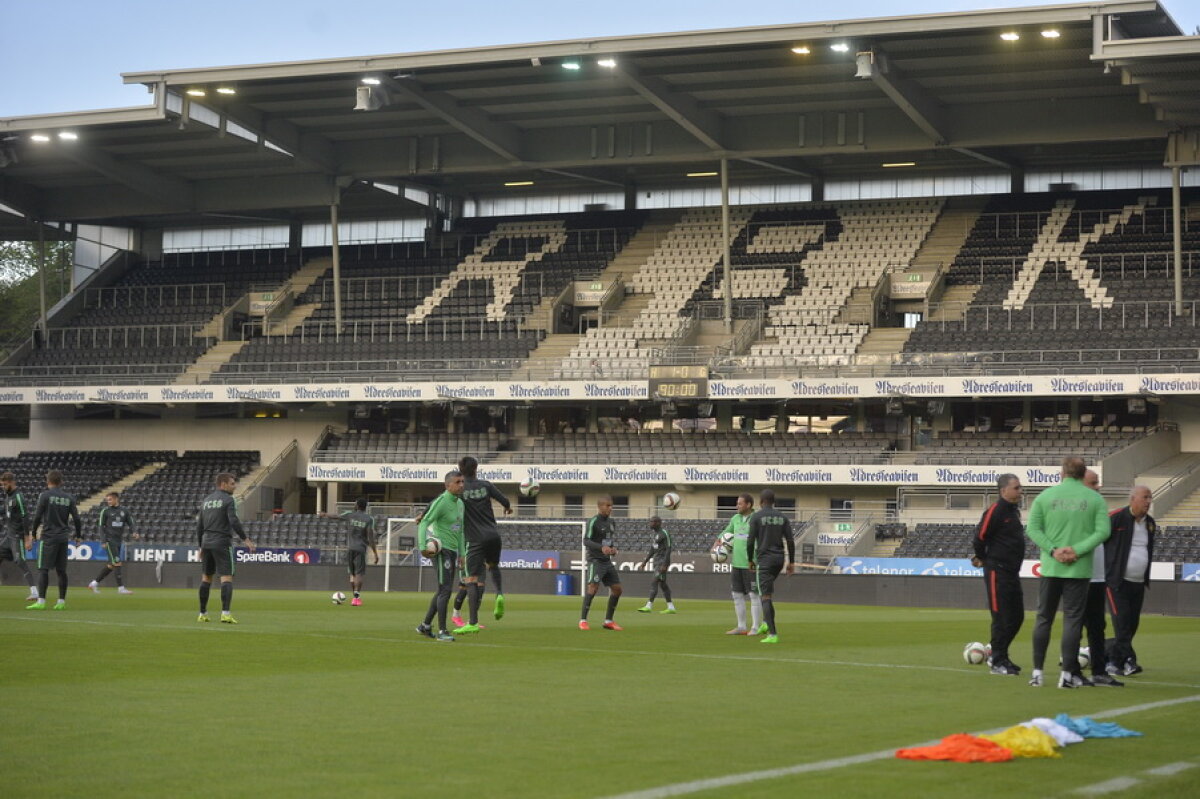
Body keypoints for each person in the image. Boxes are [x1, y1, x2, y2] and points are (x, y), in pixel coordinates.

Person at [1025, 457, 1110, 688]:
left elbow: (1032, 529)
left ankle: (1037, 672)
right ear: (1083, 474)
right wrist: (1077, 550)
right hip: (1079, 568)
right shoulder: (1095, 499)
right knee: (1072, 620)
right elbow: (1103, 531)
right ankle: (1066, 676)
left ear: (1062, 472)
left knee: (1044, 619)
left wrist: (1053, 551)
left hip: (1052, 567)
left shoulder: (1045, 496)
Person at [971, 474, 1025, 676]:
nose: (1020, 491)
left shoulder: (1013, 511)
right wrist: (982, 558)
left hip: (1011, 572)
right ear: (1004, 491)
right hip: (997, 571)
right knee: (1001, 617)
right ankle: (997, 661)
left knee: (1017, 616)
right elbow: (980, 537)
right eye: (1017, 488)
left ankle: (999, 654)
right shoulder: (996, 510)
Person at [452, 456, 512, 634]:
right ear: (476, 468)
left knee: (470, 580)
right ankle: (500, 593)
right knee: (492, 568)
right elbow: (505, 501)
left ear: (460, 470)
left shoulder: (460, 489)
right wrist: (507, 508)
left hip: (474, 539)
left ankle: (472, 622)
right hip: (494, 536)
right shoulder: (486, 485)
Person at [1104, 485, 1155, 678]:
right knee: (1122, 622)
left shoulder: (1150, 523)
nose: (1148, 502)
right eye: (1145, 497)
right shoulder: (1115, 517)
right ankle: (1126, 660)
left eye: (1150, 498)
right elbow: (1099, 541)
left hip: (1138, 582)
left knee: (1131, 625)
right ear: (1132, 499)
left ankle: (1109, 658)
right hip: (1117, 582)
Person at [196, 472, 255, 624]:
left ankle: (202, 613)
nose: (234, 487)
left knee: (206, 578)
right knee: (226, 577)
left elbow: (199, 526)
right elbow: (233, 521)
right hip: (222, 542)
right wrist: (245, 539)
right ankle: (225, 613)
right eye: (232, 483)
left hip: (207, 542)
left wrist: (200, 546)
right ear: (223, 484)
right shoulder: (229, 500)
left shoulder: (206, 500)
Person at [1081, 470, 1122, 686]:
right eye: (1093, 482)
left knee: (1097, 627)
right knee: (1075, 626)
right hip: (1077, 576)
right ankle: (1070, 671)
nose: (1098, 486)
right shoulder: (1075, 508)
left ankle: (1098, 672)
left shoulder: (1098, 505)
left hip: (1097, 576)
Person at [415, 470, 465, 642]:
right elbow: (424, 523)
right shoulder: (441, 502)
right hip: (441, 551)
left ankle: (425, 626)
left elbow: (460, 531)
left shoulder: (460, 504)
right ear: (448, 485)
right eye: (458, 482)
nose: (461, 485)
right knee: (445, 590)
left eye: (462, 482)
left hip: (452, 552)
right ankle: (443, 631)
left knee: (443, 590)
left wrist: (462, 553)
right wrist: (422, 547)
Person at [27, 470, 82, 610]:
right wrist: (78, 535)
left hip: (48, 537)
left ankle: (41, 601)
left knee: (43, 569)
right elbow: (76, 518)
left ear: (48, 481)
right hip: (63, 538)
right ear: (61, 482)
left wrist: (33, 533)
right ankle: (61, 602)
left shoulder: (45, 495)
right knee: (61, 571)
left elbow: (38, 516)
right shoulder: (69, 497)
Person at [745, 489, 795, 644]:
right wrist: (790, 562)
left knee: (765, 596)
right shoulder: (782, 517)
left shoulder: (756, 517)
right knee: (766, 592)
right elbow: (790, 541)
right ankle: (766, 624)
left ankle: (772, 634)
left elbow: (750, 541)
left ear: (760, 501)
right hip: (779, 560)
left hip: (765, 560)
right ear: (774, 502)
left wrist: (750, 560)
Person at [717, 494, 763, 635]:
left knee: (754, 595)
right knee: (736, 595)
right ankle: (741, 626)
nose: (737, 506)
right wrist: (718, 540)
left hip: (751, 564)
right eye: (737, 503)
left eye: (740, 504)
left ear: (748, 505)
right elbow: (727, 532)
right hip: (736, 563)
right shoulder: (735, 519)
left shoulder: (757, 519)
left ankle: (755, 627)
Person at [323, 497, 378, 606]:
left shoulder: (350, 515)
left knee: (352, 574)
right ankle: (356, 598)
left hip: (350, 548)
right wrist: (375, 554)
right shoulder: (369, 519)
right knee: (359, 574)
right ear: (365, 507)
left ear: (357, 505)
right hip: (361, 549)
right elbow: (371, 538)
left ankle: (355, 597)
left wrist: (324, 514)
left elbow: (336, 516)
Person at [580, 495, 622, 631]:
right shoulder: (594, 521)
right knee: (593, 587)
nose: (611, 508)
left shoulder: (611, 522)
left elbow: (608, 540)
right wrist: (601, 548)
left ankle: (608, 621)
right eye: (608, 505)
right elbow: (586, 540)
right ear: (600, 506)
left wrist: (612, 549)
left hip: (607, 561)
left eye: (611, 505)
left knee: (617, 590)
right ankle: (583, 620)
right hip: (595, 560)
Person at [88, 492, 138, 595]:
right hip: (109, 541)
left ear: (116, 499)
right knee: (117, 562)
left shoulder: (124, 511)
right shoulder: (105, 511)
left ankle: (94, 583)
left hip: (118, 541)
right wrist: (103, 540)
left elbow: (131, 523)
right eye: (107, 500)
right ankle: (121, 588)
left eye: (110, 499)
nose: (108, 501)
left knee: (111, 565)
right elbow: (101, 527)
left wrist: (134, 531)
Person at [0, 472, 37, 602]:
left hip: (17, 536)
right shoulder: (8, 497)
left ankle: (34, 591)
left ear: (11, 482)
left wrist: (27, 538)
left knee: (20, 561)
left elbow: (24, 516)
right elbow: (5, 511)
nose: (3, 487)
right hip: (8, 536)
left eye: (4, 484)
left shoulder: (18, 496)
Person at [636, 516, 677, 615]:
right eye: (650, 521)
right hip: (657, 562)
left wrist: (665, 564)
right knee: (663, 585)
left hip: (662, 562)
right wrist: (645, 562)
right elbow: (653, 550)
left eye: (652, 522)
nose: (650, 523)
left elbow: (668, 549)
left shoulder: (664, 533)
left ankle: (648, 606)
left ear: (658, 523)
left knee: (654, 581)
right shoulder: (656, 535)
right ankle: (671, 607)